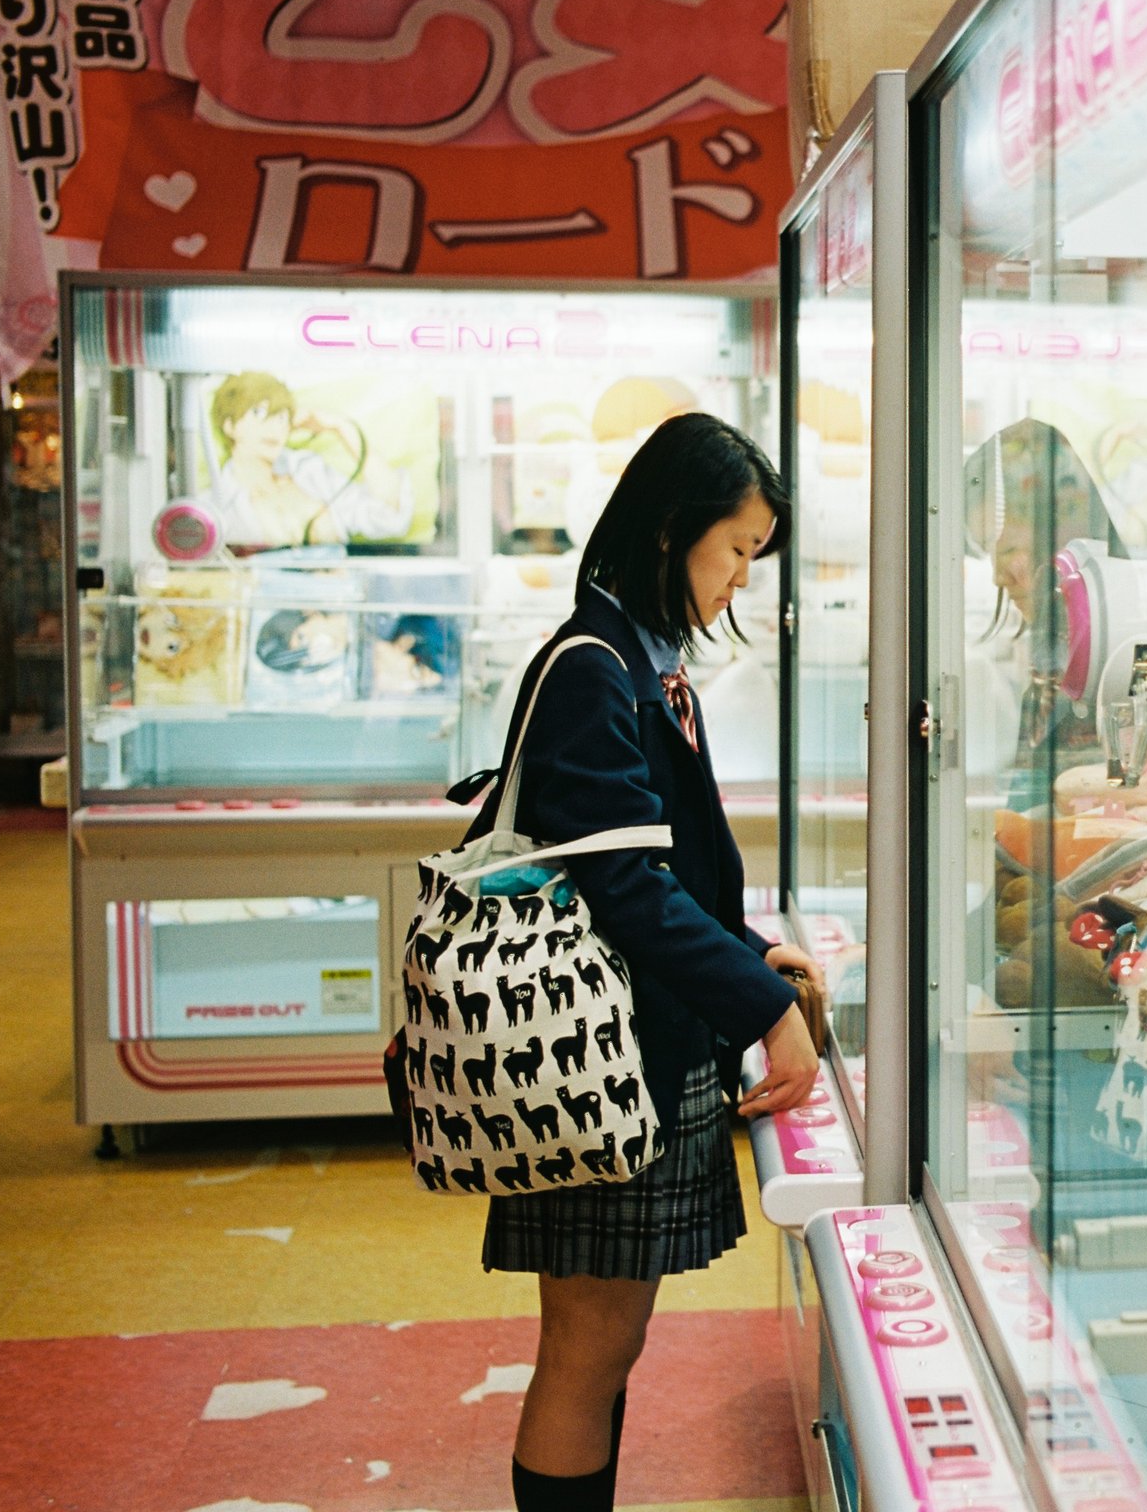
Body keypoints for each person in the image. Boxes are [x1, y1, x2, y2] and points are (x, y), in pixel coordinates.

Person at [460, 414, 821, 1512]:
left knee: (606, 1347)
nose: (738, 585)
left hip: (628, 1055)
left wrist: (754, 952)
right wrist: (766, 1006)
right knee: (587, 1349)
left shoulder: (643, 665)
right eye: (737, 553)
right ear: (673, 534)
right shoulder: (593, 667)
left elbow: (659, 870)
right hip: (594, 1060)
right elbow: (625, 894)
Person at [206, 371, 416, 549]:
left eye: (282, 416)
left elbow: (390, 515)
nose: (274, 427)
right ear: (229, 425)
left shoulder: (310, 472)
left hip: (339, 593)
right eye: (259, 413)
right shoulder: (210, 506)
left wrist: (343, 428)